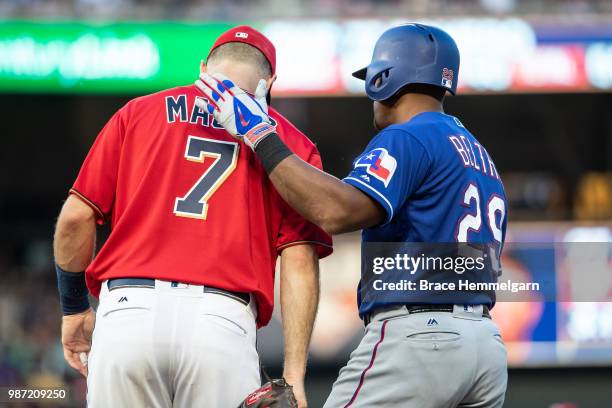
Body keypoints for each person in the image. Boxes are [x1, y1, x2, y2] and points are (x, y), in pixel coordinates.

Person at [196, 23, 508, 407]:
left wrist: (260, 133)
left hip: (422, 336)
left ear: (384, 79)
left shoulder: (408, 136)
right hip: (485, 347)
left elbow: (335, 210)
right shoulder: (478, 154)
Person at [53, 25, 332, 408]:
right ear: (271, 83)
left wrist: (73, 309)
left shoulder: (137, 113)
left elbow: (74, 219)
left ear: (203, 68)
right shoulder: (290, 144)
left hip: (127, 315)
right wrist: (294, 373)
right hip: (220, 324)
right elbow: (299, 262)